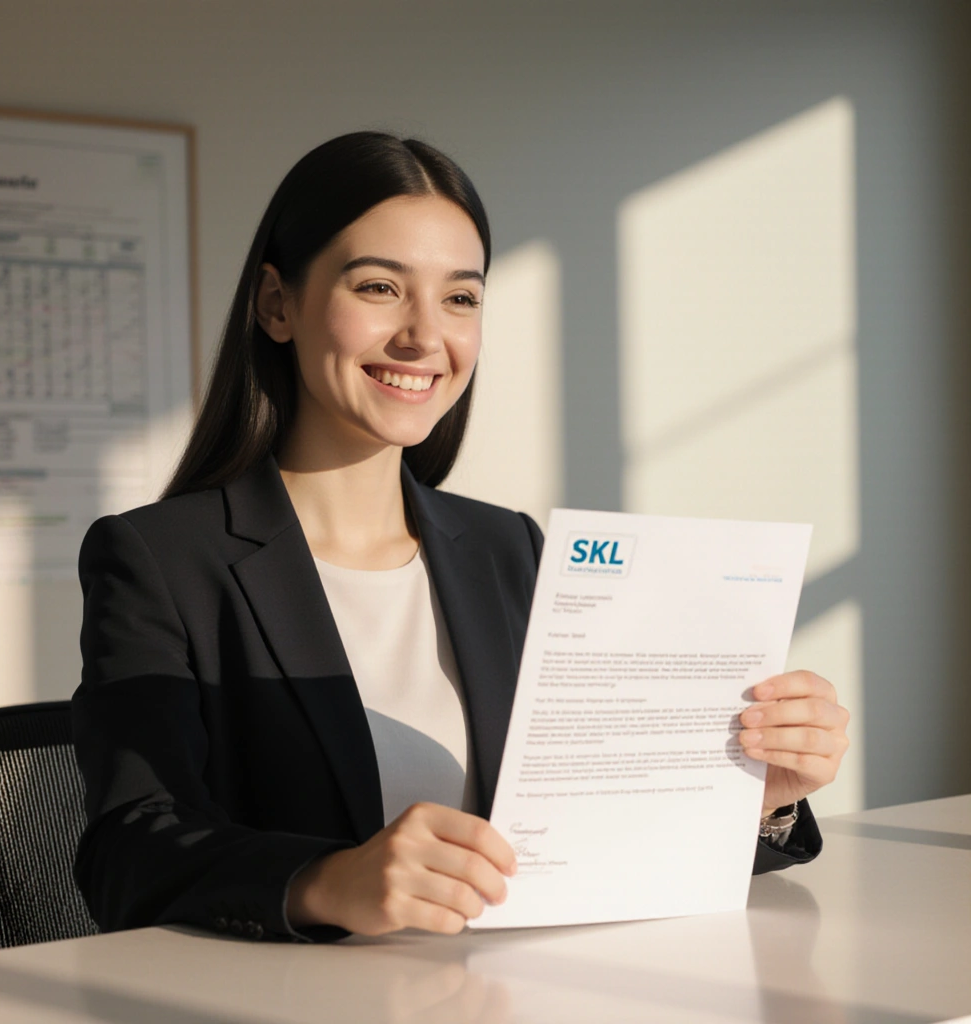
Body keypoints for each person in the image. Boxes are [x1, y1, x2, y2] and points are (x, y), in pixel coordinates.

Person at [72, 132, 850, 944]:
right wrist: (327, 881)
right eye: (380, 287)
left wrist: (751, 796)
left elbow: (590, 832)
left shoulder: (508, 549)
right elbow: (128, 852)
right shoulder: (160, 560)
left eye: (461, 299)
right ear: (276, 304)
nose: (423, 336)